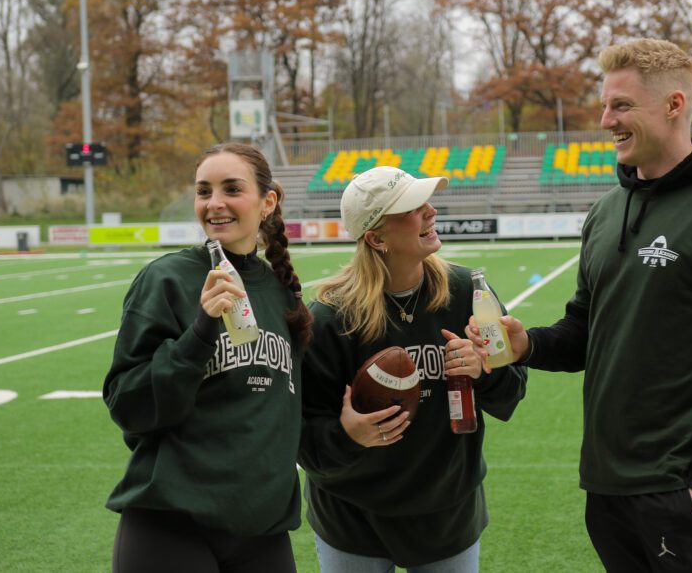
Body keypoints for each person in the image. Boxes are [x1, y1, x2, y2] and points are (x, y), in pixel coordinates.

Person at [469, 39, 692, 572]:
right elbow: (585, 330)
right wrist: (528, 343)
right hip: (606, 488)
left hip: (683, 489)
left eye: (621, 106)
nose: (606, 121)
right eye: (605, 106)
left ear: (674, 105)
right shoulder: (605, 212)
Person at [299, 166, 528, 572]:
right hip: (352, 518)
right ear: (376, 238)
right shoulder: (331, 317)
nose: (431, 211)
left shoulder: (468, 292)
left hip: (446, 512)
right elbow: (302, 436)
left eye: (427, 202)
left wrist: (483, 372)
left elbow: (512, 394)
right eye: (412, 208)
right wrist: (347, 435)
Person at [103, 142, 312, 573]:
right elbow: (128, 404)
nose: (214, 203)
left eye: (232, 189)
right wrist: (200, 332)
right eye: (203, 191)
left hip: (263, 528)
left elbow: (287, 417)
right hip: (172, 524)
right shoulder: (167, 279)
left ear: (268, 202)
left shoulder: (282, 294)